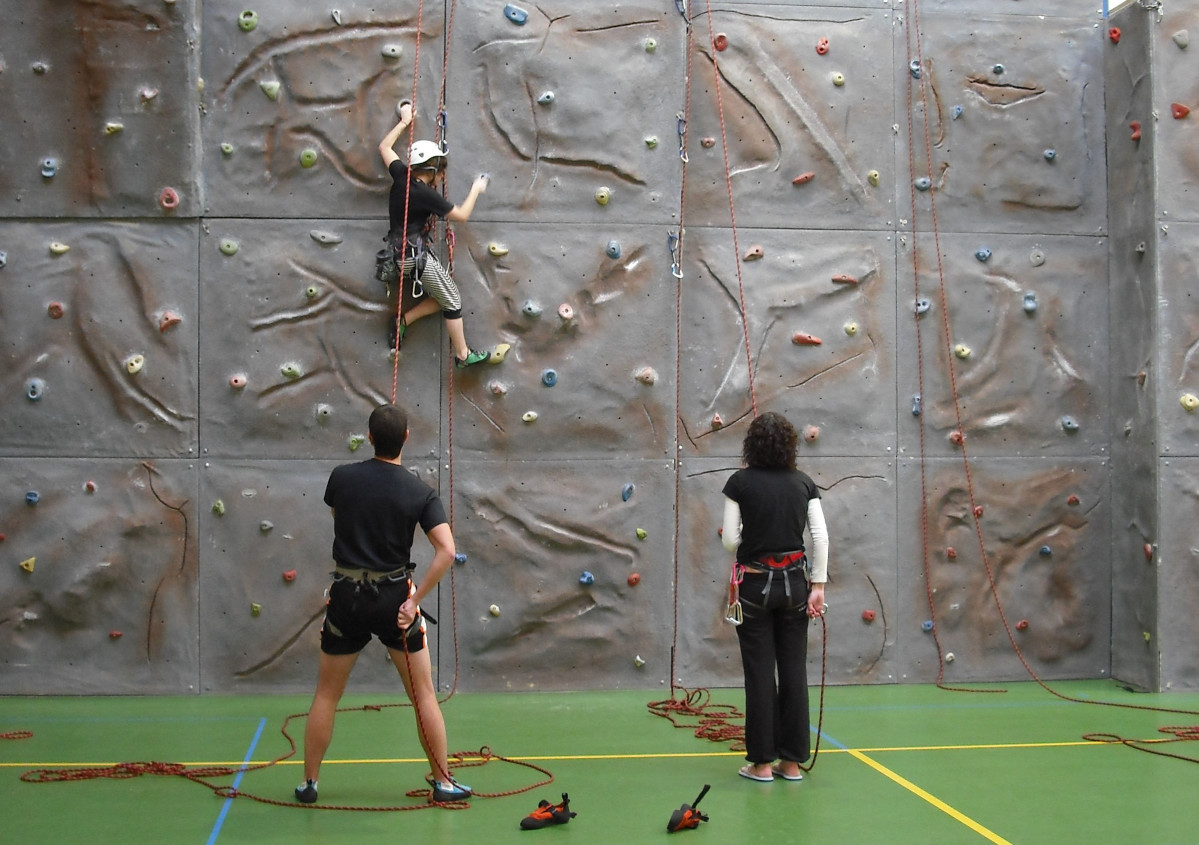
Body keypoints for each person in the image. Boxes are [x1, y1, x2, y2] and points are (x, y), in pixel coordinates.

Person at [296, 403, 470, 805]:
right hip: (395, 601)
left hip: (347, 597)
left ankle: (309, 784)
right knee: (423, 694)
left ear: (370, 436)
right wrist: (416, 601)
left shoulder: (341, 478)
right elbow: (446, 551)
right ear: (407, 438)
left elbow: (340, 515)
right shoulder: (420, 492)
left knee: (326, 694)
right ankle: (443, 782)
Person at [720, 411, 829, 783]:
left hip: (753, 586)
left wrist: (752, 530)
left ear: (751, 444)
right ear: (790, 446)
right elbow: (821, 538)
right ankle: (792, 763)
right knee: (794, 670)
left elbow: (730, 541)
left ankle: (762, 764)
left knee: (760, 673)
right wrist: (818, 586)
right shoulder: (804, 483)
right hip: (796, 586)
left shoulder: (739, 483)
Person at [378, 101, 491, 368]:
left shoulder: (400, 175)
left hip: (396, 255)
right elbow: (461, 215)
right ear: (430, 170)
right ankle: (463, 356)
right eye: (440, 171)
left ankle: (403, 320)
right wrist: (477, 188)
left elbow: (384, 148)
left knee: (443, 297)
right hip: (412, 256)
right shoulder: (424, 194)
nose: (441, 177)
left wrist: (404, 121)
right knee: (452, 300)